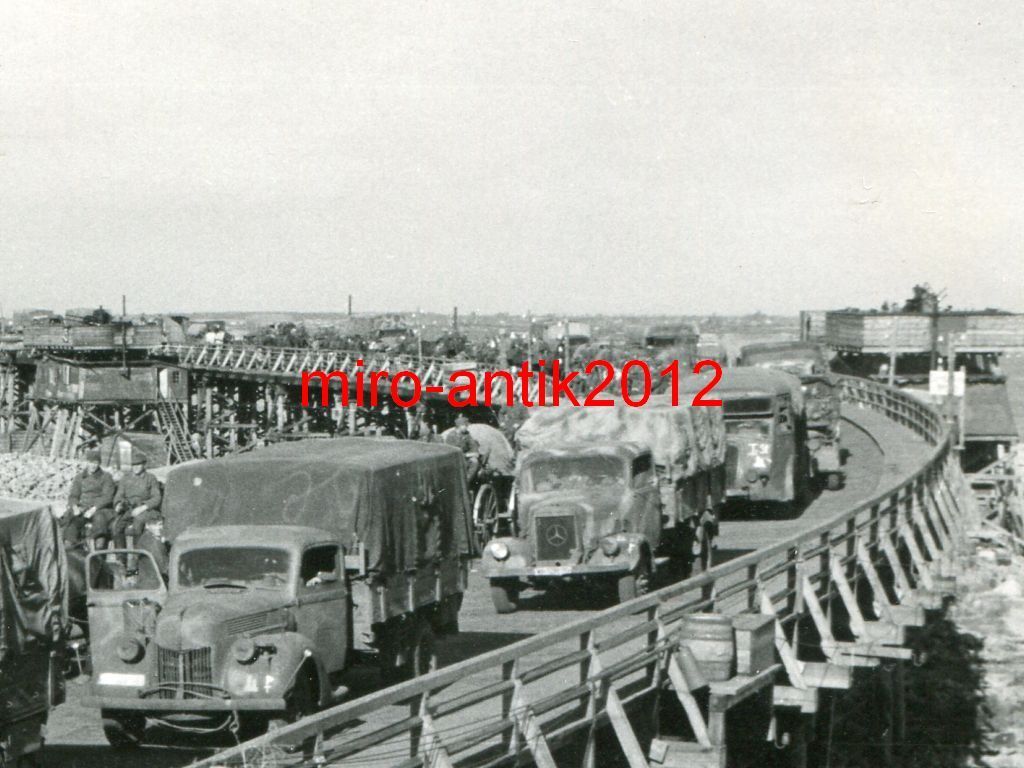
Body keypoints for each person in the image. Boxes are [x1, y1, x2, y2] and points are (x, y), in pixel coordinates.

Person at [66, 448, 116, 549]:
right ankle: (70, 547)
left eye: (96, 463)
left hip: (100, 508)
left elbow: (107, 497)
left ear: (99, 463)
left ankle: (99, 549)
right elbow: (73, 496)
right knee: (71, 522)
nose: (93, 465)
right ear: (86, 462)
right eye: (90, 462)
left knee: (100, 521)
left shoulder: (106, 477)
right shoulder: (79, 477)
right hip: (83, 507)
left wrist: (94, 509)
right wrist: (75, 507)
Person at [112, 450, 162, 548]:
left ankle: (137, 556)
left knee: (138, 524)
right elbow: (119, 495)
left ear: (144, 465)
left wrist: (142, 508)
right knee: (116, 527)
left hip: (146, 510)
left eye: (138, 465)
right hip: (129, 509)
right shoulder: (125, 479)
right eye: (133, 465)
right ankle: (121, 558)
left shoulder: (150, 478)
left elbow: (157, 497)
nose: (136, 467)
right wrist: (118, 504)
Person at [444, 413, 481, 485]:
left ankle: (467, 481)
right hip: (454, 460)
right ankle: (464, 484)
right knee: (473, 463)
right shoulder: (451, 436)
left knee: (475, 461)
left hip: (463, 459)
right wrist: (467, 455)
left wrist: (475, 453)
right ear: (459, 426)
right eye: (465, 425)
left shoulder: (467, 435)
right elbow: (451, 452)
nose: (467, 427)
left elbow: (473, 446)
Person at [135, 514, 169, 579]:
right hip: (156, 581)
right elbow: (164, 568)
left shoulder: (145, 537)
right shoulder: (152, 542)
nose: (159, 527)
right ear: (147, 526)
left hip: (148, 579)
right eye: (155, 525)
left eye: (160, 524)